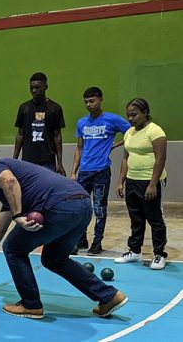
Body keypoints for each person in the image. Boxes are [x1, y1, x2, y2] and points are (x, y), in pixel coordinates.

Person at [0, 152, 127, 319]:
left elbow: (9, 181)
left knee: (13, 248)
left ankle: (31, 305)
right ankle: (109, 296)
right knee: (54, 259)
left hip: (60, 205)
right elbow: (0, 227)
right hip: (82, 205)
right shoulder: (13, 188)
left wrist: (17, 216)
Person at [69, 87, 130, 255]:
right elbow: (79, 148)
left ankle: (97, 242)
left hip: (101, 172)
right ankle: (81, 240)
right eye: (86, 102)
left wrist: (115, 145)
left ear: (100, 99)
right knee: (80, 207)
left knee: (99, 208)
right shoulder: (82, 123)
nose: (89, 104)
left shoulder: (112, 119)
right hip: (84, 172)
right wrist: (74, 172)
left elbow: (132, 133)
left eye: (92, 101)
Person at [115, 98, 168, 270]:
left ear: (145, 113)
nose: (130, 118)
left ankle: (159, 254)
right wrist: (121, 181)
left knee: (154, 218)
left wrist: (153, 184)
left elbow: (161, 159)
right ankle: (135, 251)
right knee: (136, 218)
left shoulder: (155, 131)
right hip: (132, 180)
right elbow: (125, 158)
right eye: (128, 115)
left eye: (134, 114)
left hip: (149, 181)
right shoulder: (129, 132)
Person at [13, 72, 66, 175]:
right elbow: (20, 135)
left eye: (37, 87)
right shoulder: (24, 108)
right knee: (28, 190)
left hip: (47, 161)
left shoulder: (55, 108)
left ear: (46, 87)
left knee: (47, 189)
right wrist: (14, 160)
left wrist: (59, 163)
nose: (34, 90)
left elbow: (57, 136)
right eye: (31, 87)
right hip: (28, 161)